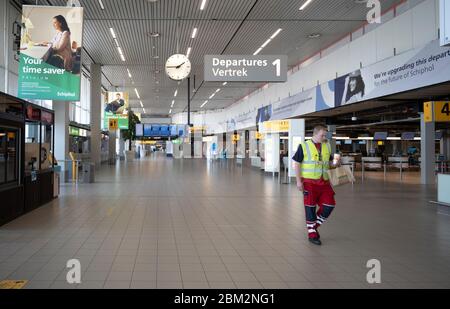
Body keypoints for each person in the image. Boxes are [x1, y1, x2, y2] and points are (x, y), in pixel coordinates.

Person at [293, 125, 341, 246]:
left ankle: (313, 226)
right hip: (309, 182)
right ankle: (312, 234)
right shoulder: (304, 146)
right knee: (310, 207)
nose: (324, 137)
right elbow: (297, 164)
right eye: (322, 135)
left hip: (324, 182)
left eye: (325, 135)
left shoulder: (327, 145)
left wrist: (336, 161)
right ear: (315, 134)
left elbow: (330, 163)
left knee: (329, 205)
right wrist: (298, 181)